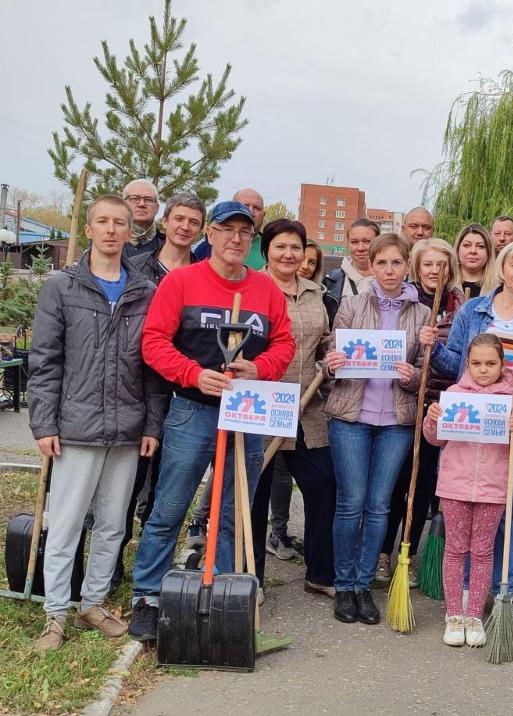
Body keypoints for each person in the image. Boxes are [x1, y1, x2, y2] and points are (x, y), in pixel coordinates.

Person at [128, 201, 295, 643]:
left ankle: (219, 590)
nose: (236, 238)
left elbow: (284, 344)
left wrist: (260, 369)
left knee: (233, 509)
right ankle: (147, 595)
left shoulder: (265, 290)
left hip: (245, 412)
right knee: (170, 506)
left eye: (245, 231)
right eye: (227, 229)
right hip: (192, 409)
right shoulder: (183, 281)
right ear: (211, 235)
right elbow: (154, 342)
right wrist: (194, 373)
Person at [29, 195, 164, 652]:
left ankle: (93, 601)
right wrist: (44, 423)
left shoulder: (145, 291)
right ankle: (55, 613)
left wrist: (152, 424)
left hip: (128, 428)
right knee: (65, 523)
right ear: (89, 229)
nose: (111, 230)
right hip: (76, 427)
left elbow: (152, 367)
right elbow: (45, 362)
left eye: (119, 223)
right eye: (102, 222)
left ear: (130, 231)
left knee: (111, 523)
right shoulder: (62, 287)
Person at [420, 240, 513, 603]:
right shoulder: (474, 310)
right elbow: (455, 363)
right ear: (501, 268)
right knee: (471, 511)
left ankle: (502, 588)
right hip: (472, 426)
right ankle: (467, 590)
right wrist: (432, 347)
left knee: (511, 513)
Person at [323, 233, 430, 626]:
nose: (389, 270)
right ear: (371, 264)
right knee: (351, 503)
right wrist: (331, 361)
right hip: (351, 417)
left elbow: (425, 372)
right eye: (381, 263)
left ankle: (365, 585)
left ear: (407, 267)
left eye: (396, 263)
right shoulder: (351, 305)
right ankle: (344, 584)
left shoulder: (421, 315)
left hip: (396, 423)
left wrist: (412, 374)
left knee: (380, 505)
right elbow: (330, 358)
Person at [113, 193, 206, 589]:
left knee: (166, 488)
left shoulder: (205, 273)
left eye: (193, 222)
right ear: (165, 222)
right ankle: (113, 560)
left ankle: (154, 568)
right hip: (135, 386)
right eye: (179, 219)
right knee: (126, 482)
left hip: (183, 391)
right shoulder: (133, 269)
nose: (185, 227)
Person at [424, 334, 513, 646]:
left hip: (492, 487)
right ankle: (453, 615)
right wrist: (432, 421)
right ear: (467, 364)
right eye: (476, 363)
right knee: (455, 549)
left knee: (484, 550)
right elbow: (435, 439)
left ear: (503, 365)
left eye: (490, 363)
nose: (483, 369)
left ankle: (474, 614)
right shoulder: (454, 393)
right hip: (455, 485)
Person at [245, 219, 336, 598]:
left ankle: (320, 573)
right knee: (255, 489)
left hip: (308, 407)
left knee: (324, 485)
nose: (288, 254)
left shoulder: (316, 293)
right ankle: (250, 578)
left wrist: (330, 361)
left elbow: (324, 343)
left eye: (295, 247)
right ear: (267, 251)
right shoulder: (251, 288)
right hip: (261, 405)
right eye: (280, 247)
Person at [379, 238, 466, 585]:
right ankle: (384, 552)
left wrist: (437, 347)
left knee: (424, 484)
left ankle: (408, 552)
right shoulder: (404, 303)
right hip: (404, 405)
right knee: (398, 483)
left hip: (440, 408)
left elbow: (459, 364)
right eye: (428, 264)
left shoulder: (461, 309)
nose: (434, 271)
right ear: (416, 267)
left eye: (441, 265)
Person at [192, 188, 266, 269]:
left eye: (257, 208)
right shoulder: (202, 247)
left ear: (263, 214)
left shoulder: (273, 247)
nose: (251, 211)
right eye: (245, 205)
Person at [322, 218, 379, 322]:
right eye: (354, 242)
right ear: (348, 244)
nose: (360, 248)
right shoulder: (331, 282)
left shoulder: (392, 280)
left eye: (367, 241)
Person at [122, 179, 165, 258]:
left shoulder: (168, 246)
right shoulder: (104, 242)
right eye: (134, 199)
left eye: (148, 200)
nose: (141, 204)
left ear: (157, 208)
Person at [454, 223, 495, 299]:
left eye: (480, 246)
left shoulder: (499, 289)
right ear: (457, 250)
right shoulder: (446, 285)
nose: (473, 251)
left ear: (489, 252)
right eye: (467, 245)